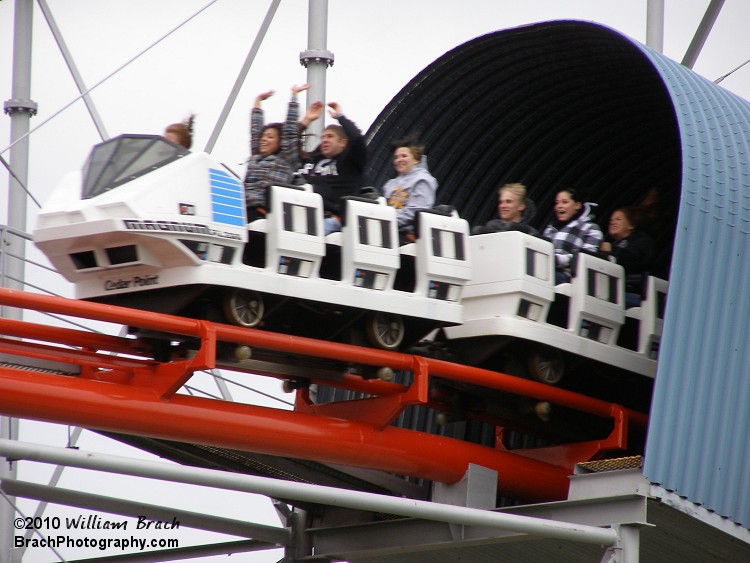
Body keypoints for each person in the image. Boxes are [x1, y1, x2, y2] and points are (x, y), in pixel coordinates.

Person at [244, 84, 310, 221]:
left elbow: (290, 132)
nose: (264, 140)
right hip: (241, 206)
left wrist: (294, 97)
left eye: (270, 137)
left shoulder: (286, 159)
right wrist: (258, 101)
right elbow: (255, 130)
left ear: (280, 142)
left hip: (261, 210)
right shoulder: (256, 156)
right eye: (264, 136)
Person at [299, 101, 366, 235]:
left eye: (330, 136)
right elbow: (288, 148)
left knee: (306, 235)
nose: (324, 140)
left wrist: (340, 117)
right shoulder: (314, 158)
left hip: (330, 219)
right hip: (302, 212)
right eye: (323, 137)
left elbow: (358, 139)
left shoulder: (350, 161)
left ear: (342, 143)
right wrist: (306, 121)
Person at [381, 137, 438, 243]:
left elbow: (416, 211)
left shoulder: (422, 180)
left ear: (416, 159)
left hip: (408, 235)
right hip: (391, 229)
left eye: (404, 156)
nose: (399, 160)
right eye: (396, 157)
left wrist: (389, 222)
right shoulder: (390, 184)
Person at [543, 188, 603, 283]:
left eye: (564, 202)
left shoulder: (591, 228)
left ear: (577, 205)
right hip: (545, 269)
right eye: (557, 203)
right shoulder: (551, 228)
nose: (559, 206)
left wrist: (556, 260)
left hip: (568, 277)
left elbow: (586, 258)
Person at [600, 205, 655, 307]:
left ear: (631, 225)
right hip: (609, 288)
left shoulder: (641, 240)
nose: (612, 222)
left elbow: (635, 258)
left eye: (618, 219)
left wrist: (612, 250)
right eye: (611, 220)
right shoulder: (612, 243)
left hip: (630, 291)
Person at [471, 183, 538, 236]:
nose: (502, 206)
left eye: (508, 202)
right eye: (501, 202)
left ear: (521, 206)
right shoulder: (486, 231)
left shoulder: (531, 233)